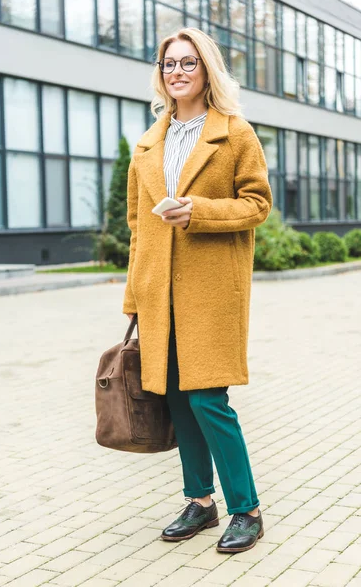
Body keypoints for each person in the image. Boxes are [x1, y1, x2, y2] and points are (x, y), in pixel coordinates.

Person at [122, 27, 273, 553]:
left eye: (188, 63)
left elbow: (257, 204)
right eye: (169, 64)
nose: (178, 72)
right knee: (177, 400)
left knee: (209, 399)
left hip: (211, 288)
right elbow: (138, 225)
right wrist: (134, 298)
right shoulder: (148, 143)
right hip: (158, 288)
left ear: (207, 70)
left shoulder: (234, 133)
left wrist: (199, 213)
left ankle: (246, 508)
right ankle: (199, 502)